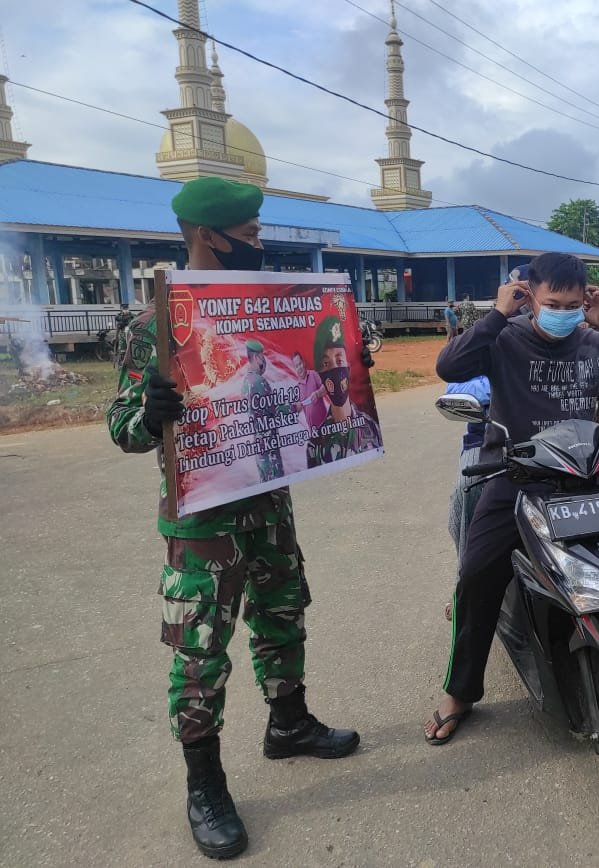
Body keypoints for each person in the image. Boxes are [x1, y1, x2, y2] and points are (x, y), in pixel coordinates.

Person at [106, 176, 361, 861]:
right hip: (202, 521)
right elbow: (122, 426)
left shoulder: (266, 309)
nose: (259, 244)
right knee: (200, 651)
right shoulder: (155, 323)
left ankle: (289, 724)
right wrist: (149, 415)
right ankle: (206, 785)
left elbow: (301, 386)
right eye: (248, 236)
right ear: (206, 236)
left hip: (270, 503)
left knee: (283, 615)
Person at [424, 251, 599, 745]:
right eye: (552, 304)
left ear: (587, 300)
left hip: (588, 475)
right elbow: (449, 365)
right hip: (517, 475)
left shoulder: (593, 341)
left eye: (573, 305)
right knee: (477, 573)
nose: (563, 313)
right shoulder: (505, 338)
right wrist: (497, 314)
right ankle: (460, 691)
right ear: (530, 297)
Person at [443, 374, 492, 621]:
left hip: (553, 436)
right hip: (486, 442)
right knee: (468, 489)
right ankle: (465, 587)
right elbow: (455, 388)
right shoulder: (485, 350)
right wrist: (502, 383)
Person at [305, 315, 382, 467]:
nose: (335, 369)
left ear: (349, 366)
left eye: (339, 360)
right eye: (326, 363)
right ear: (320, 374)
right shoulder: (316, 444)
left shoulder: (370, 427)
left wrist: (360, 360)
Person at [241, 339, 285, 483]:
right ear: (256, 357)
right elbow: (274, 409)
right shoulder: (259, 381)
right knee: (277, 486)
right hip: (269, 447)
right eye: (262, 356)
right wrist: (295, 407)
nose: (264, 360)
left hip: (260, 448)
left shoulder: (246, 382)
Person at [290, 350, 327, 432]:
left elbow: (326, 387)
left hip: (325, 425)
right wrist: (296, 408)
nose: (299, 367)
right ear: (295, 369)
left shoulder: (313, 374)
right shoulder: (297, 388)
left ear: (303, 362)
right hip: (313, 431)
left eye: (300, 364)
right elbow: (297, 410)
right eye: (296, 366)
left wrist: (317, 393)